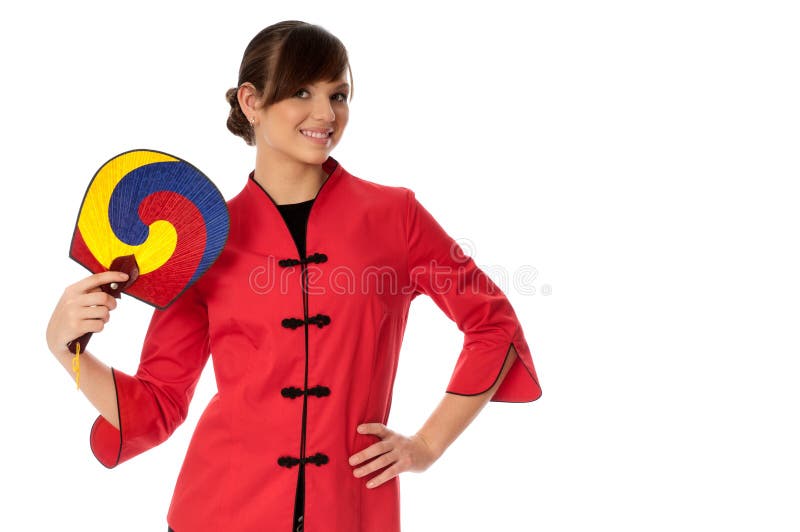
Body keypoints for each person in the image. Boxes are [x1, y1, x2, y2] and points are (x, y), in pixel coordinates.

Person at [45, 20, 542, 532]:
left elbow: (493, 325)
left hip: (353, 511)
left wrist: (427, 445)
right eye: (302, 91)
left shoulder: (396, 216)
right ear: (251, 101)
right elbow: (157, 405)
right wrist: (69, 352)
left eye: (339, 94)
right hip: (219, 510)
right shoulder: (205, 240)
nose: (326, 114)